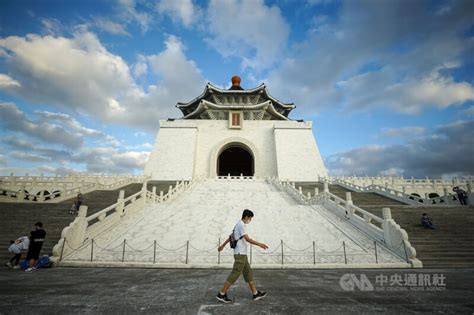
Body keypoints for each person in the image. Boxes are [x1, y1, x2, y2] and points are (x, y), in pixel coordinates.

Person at [216, 209, 268, 303]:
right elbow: (248, 239)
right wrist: (260, 244)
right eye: (250, 218)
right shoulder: (241, 225)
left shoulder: (238, 224)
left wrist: (222, 245)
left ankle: (255, 293)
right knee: (235, 274)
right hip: (240, 254)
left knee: (248, 274)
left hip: (242, 254)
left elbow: (230, 237)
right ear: (246, 217)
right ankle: (221, 294)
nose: (250, 220)